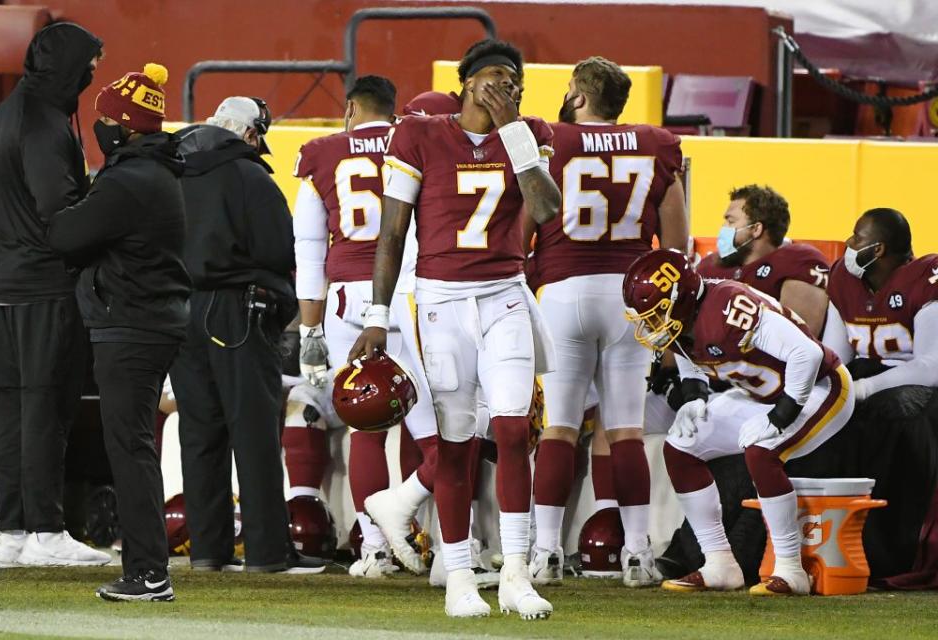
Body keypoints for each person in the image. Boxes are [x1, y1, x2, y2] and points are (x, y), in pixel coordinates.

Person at [350, 39, 562, 619]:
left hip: (504, 295)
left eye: (514, 78)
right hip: (441, 300)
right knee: (454, 442)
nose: (506, 84)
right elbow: (392, 234)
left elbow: (545, 209)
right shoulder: (418, 133)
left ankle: (517, 572)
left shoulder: (528, 131)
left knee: (516, 429)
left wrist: (514, 126)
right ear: (466, 82)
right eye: (495, 75)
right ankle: (460, 576)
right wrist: (377, 314)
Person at [526, 56, 688, 587]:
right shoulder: (657, 144)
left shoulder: (548, 138)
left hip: (564, 291)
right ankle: (638, 554)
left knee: (559, 429)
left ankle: (546, 551)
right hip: (628, 295)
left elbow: (524, 225)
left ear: (578, 95)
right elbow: (677, 244)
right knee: (626, 432)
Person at [623, 249, 855, 595]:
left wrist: (781, 416)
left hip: (821, 387)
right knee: (680, 447)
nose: (652, 326)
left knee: (762, 450)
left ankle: (790, 570)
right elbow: (691, 359)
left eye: (657, 315)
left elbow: (808, 354)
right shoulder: (686, 318)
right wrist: (695, 397)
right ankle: (719, 563)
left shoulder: (729, 309)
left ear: (681, 298)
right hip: (761, 393)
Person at [48, 63, 190, 601]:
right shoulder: (155, 172)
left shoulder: (129, 179)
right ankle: (149, 569)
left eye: (108, 117)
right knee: (134, 446)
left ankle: (149, 572)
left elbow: (65, 234)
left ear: (126, 126)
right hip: (149, 320)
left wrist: (72, 200)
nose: (100, 125)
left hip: (132, 324)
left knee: (129, 449)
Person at [292, 76, 439, 577]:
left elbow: (310, 253)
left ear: (351, 107)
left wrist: (309, 331)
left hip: (345, 300)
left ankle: (373, 547)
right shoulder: (417, 139)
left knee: (365, 426)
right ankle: (427, 534)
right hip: (409, 293)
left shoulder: (322, 153)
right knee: (431, 427)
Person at [170, 97, 323, 574]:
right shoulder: (249, 175)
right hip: (236, 311)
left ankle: (208, 552)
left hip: (179, 310)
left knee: (199, 434)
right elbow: (279, 249)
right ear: (252, 134)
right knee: (253, 432)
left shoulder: (170, 169)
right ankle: (267, 552)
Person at [0, 22, 109, 566]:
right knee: (45, 404)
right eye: (90, 63)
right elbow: (58, 208)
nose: (92, 73)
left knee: (12, 404)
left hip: (5, 283)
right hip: (42, 283)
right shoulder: (43, 120)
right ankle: (45, 530)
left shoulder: (8, 112)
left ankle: (11, 529)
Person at [823, 208, 938, 400]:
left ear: (878, 249)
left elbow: (932, 368)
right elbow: (835, 358)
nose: (848, 242)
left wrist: (864, 389)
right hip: (861, 376)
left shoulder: (923, 281)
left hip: (910, 391)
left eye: (857, 237)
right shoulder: (843, 278)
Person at [698, 185, 830, 336]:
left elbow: (797, 341)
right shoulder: (710, 265)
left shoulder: (797, 262)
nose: (723, 228)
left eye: (730, 221)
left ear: (756, 229)